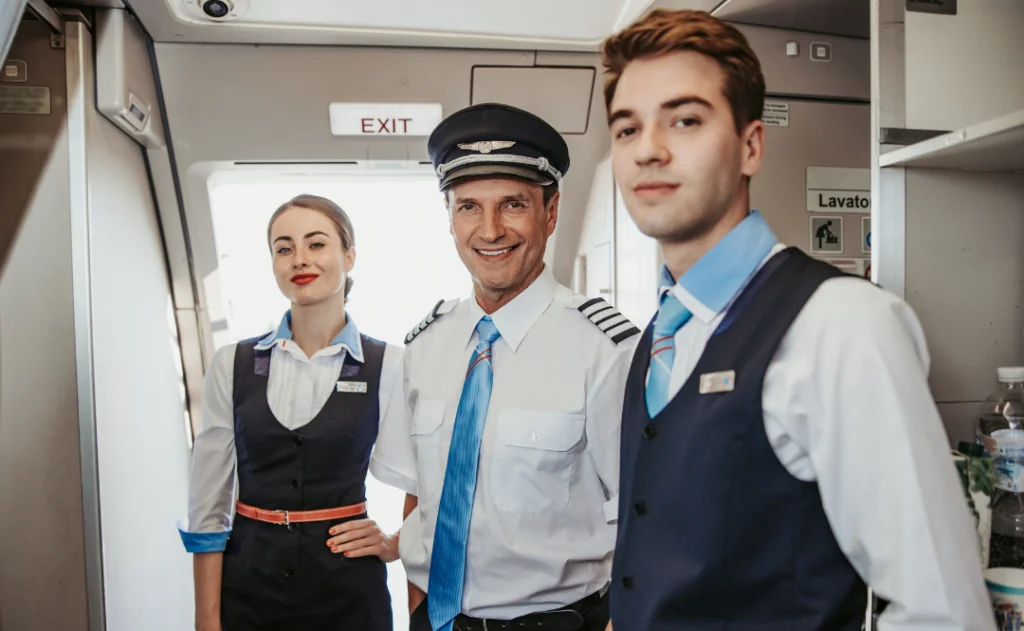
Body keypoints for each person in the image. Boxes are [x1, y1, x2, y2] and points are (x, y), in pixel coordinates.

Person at [599, 9, 994, 631]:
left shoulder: (841, 323)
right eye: (627, 129)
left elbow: (942, 611)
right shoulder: (661, 333)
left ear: (751, 145)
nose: (648, 149)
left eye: (685, 120)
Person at [369, 103, 639, 631]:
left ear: (551, 212)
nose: (489, 230)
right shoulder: (426, 344)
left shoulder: (605, 350)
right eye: (468, 206)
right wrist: (419, 608)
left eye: (512, 204)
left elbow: (644, 514)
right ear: (449, 218)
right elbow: (419, 495)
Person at [178, 194, 402, 631]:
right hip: (248, 586)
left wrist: (398, 542)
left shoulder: (390, 364)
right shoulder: (232, 363)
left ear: (349, 255)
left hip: (348, 591)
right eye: (284, 248)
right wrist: (206, 618)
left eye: (316, 244)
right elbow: (209, 501)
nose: (300, 259)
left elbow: (425, 476)